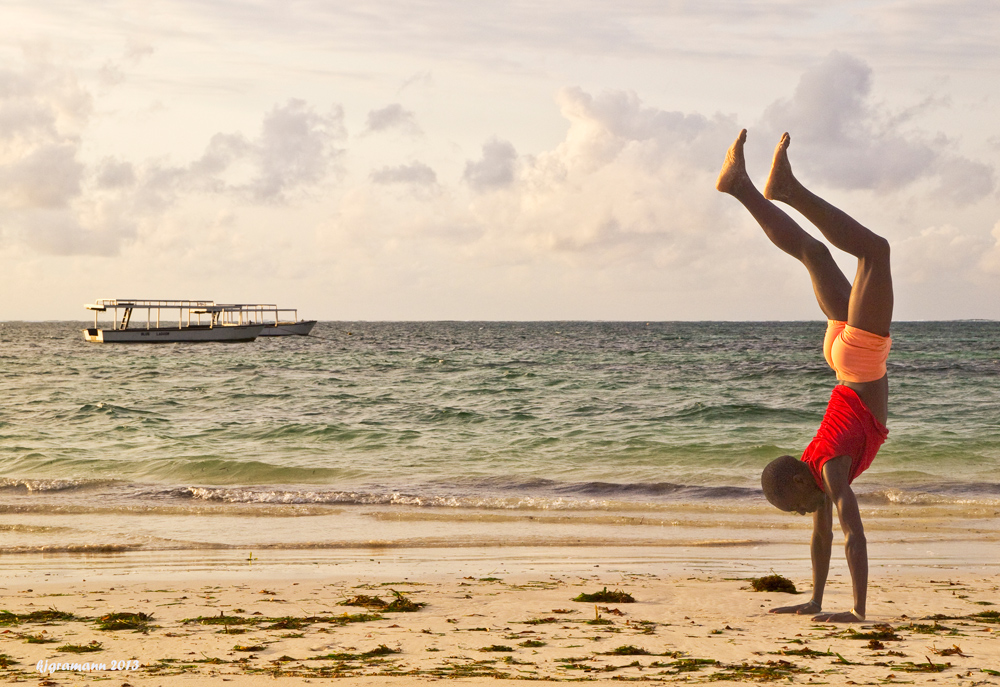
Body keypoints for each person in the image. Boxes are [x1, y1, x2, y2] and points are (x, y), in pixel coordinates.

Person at [716, 129, 893, 623]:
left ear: (799, 477)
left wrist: (856, 612)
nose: (801, 514)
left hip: (859, 359)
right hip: (841, 361)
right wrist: (815, 602)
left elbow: (852, 535)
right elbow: (824, 538)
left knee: (875, 252)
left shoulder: (829, 471)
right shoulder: (817, 471)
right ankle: (741, 188)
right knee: (814, 255)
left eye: (794, 506)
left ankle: (786, 190)